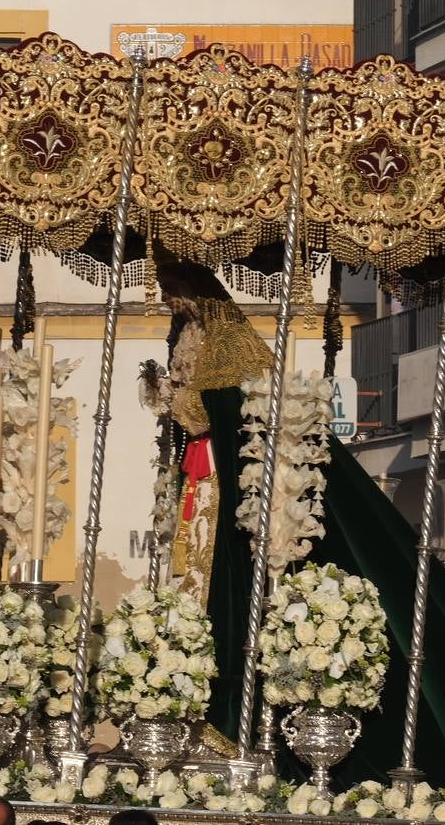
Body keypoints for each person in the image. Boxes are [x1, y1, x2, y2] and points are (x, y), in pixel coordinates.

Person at [141, 261, 271, 753]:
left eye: (172, 289)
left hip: (218, 471)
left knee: (207, 568)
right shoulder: (186, 334)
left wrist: (174, 400)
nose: (168, 299)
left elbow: (218, 408)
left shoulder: (227, 339)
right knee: (186, 574)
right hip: (193, 470)